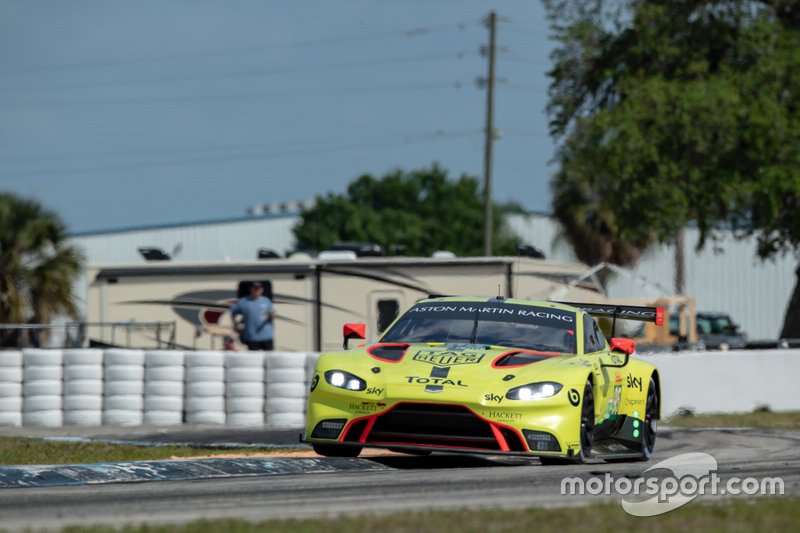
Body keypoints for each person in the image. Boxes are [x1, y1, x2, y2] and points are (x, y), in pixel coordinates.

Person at [229, 282, 275, 350]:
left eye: (259, 288)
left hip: (267, 337)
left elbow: (273, 315)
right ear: (251, 289)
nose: (257, 290)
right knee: (254, 359)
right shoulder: (243, 301)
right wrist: (235, 325)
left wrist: (271, 316)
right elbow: (232, 312)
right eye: (255, 288)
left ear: (262, 290)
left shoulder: (266, 301)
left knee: (269, 358)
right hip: (252, 338)